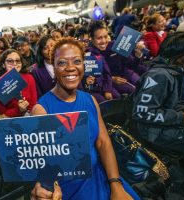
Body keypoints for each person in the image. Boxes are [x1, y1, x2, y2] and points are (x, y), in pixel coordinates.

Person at [31, 37, 139, 200]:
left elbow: (103, 143)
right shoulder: (42, 110)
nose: (70, 68)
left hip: (101, 177)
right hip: (67, 188)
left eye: (77, 61)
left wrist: (115, 184)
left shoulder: (90, 100)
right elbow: (42, 162)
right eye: (62, 63)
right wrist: (42, 188)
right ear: (53, 66)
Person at [132, 31, 184, 155]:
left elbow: (177, 101)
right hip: (152, 130)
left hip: (168, 121)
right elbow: (141, 113)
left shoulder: (178, 68)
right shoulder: (159, 75)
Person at [0, 49, 37, 117]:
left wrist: (27, 110)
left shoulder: (29, 78)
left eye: (17, 61)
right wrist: (19, 110)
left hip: (30, 117)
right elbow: (3, 114)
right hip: (10, 122)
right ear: (3, 64)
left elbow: (34, 104)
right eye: (10, 61)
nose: (15, 64)